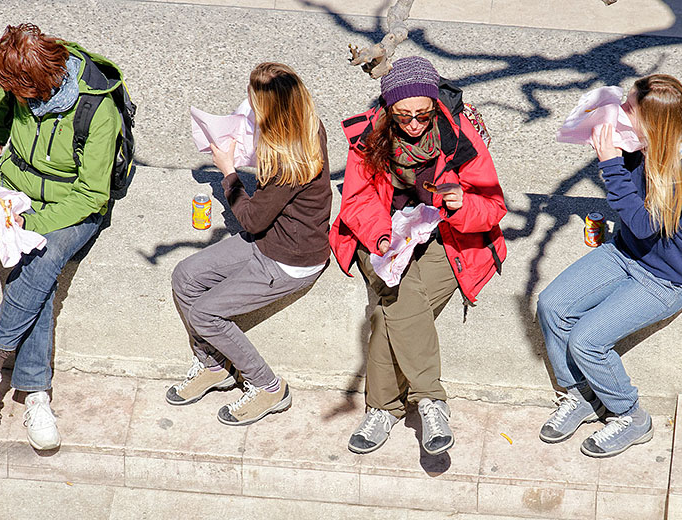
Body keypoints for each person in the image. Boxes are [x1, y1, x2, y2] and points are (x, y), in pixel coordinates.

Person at [537, 74, 682, 457]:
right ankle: (582, 395)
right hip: (625, 253)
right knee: (552, 306)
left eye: (628, 108)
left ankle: (631, 416)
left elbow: (642, 223)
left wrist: (610, 164)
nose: (620, 112)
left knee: (587, 341)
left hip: (666, 279)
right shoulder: (646, 142)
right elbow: (633, 229)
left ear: (653, 120)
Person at [329, 56, 507, 455]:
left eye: (422, 115)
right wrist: (379, 239)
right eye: (403, 116)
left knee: (387, 313)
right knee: (396, 294)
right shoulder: (369, 138)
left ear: (433, 107)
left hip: (448, 236)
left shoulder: (458, 135)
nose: (413, 125)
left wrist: (462, 204)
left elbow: (493, 206)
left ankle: (383, 409)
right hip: (383, 236)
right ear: (389, 110)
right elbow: (356, 201)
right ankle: (430, 399)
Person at [0, 24, 123, 450]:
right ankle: (35, 393)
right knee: (39, 277)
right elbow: (3, 94)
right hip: (18, 190)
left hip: (75, 203)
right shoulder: (20, 85)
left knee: (43, 256)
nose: (11, 96)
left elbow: (92, 194)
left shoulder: (96, 111)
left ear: (40, 85)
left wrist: (31, 227)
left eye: (18, 91)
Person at [168, 62, 331, 426]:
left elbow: (253, 217)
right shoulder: (304, 126)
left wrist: (228, 171)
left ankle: (269, 387)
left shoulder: (290, 157)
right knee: (185, 277)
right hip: (267, 239)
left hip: (288, 260)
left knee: (205, 313)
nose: (250, 105)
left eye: (255, 101)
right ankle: (214, 365)